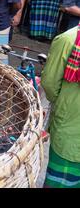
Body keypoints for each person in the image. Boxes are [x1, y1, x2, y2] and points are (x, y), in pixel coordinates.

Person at [41, 22, 80, 188]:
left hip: (69, 127)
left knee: (61, 180)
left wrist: (61, 101)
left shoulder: (68, 40)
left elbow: (49, 83)